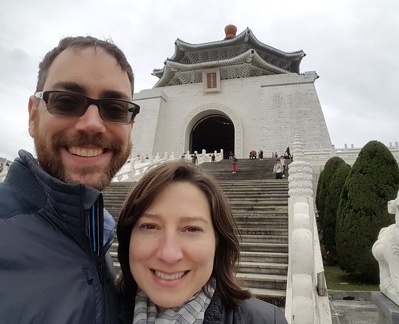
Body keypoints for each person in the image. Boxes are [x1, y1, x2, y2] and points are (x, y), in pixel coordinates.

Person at [0, 36, 140, 323]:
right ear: (33, 115)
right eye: (66, 101)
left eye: (115, 108)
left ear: (131, 125)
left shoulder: (99, 233)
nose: (92, 123)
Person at [115, 160, 288, 323]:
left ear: (218, 242)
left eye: (192, 229)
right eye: (150, 226)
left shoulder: (265, 320)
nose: (169, 254)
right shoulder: (97, 311)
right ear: (128, 237)